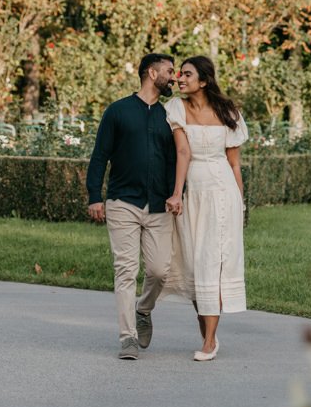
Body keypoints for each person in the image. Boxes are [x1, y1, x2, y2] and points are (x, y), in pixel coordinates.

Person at [86, 52, 178, 360]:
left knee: (160, 270)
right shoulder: (118, 111)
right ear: (152, 74)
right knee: (125, 269)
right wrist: (94, 197)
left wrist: (179, 194)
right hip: (122, 202)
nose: (174, 77)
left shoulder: (170, 115)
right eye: (169, 71)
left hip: (160, 205)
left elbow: (177, 159)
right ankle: (127, 337)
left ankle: (144, 309)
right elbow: (100, 156)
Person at [162, 55, 249, 361]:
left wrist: (240, 204)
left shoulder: (229, 112)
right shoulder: (175, 108)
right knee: (195, 263)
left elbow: (235, 163)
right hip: (194, 192)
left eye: (186, 74)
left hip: (223, 193)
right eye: (179, 74)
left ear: (204, 80)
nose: (179, 79)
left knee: (212, 262)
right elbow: (183, 151)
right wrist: (177, 193)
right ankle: (207, 336)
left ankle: (209, 342)